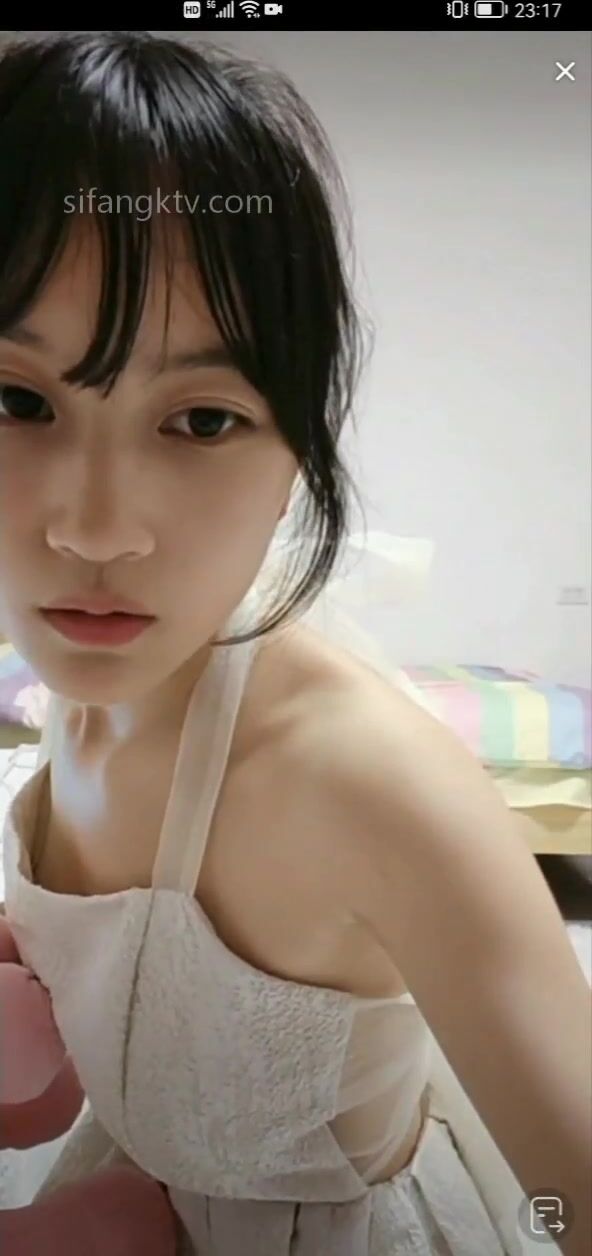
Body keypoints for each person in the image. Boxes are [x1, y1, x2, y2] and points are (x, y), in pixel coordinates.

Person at [0, 30, 589, 1256]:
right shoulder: (72, 679)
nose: (94, 530)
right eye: (18, 400)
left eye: (203, 419)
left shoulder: (371, 785)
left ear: (294, 457)